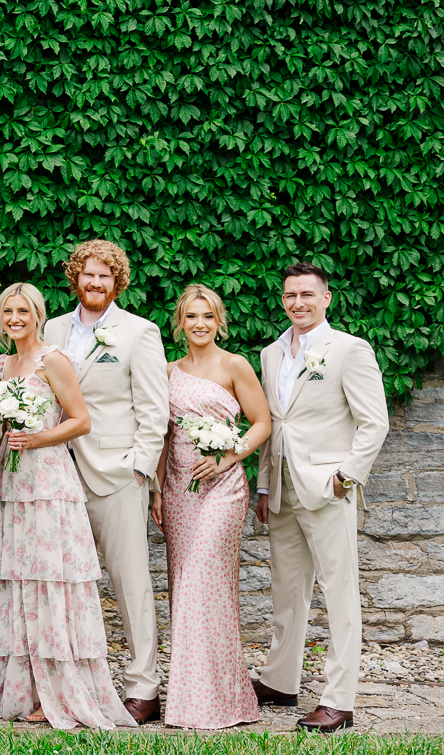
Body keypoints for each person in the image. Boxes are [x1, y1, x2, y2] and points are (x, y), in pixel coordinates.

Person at [0, 283, 134, 730]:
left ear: (38, 314)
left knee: (51, 582)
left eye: (23, 311)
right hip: (10, 483)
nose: (15, 318)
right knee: (18, 582)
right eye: (7, 311)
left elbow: (81, 421)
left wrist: (36, 437)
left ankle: (59, 693)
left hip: (47, 481)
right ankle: (23, 689)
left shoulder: (54, 359)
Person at [252, 263, 390, 732]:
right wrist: (265, 485)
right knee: (286, 589)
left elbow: (375, 422)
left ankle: (338, 700)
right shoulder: (272, 353)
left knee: (339, 593)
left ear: (326, 298)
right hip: (284, 487)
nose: (298, 303)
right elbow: (275, 423)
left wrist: (344, 477)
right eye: (290, 295)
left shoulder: (349, 349)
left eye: (307, 295)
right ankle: (280, 679)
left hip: (329, 488)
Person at [43, 239, 168, 723]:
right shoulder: (51, 328)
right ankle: (67, 686)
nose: (96, 283)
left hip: (115, 474)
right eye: (88, 275)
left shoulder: (140, 332)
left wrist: (139, 468)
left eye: (105, 277)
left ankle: (143, 686)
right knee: (65, 585)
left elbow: (154, 409)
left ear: (117, 282)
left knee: (130, 582)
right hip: (56, 475)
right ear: (75, 277)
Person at [149, 283, 268, 729]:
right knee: (185, 587)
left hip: (223, 490)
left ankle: (216, 701)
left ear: (219, 321)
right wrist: (157, 488)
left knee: (203, 581)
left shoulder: (234, 365)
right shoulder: (166, 371)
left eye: (208, 316)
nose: (200, 324)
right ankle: (199, 698)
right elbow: (163, 434)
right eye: (192, 316)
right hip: (179, 490)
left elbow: (261, 423)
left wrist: (227, 457)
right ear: (180, 322)